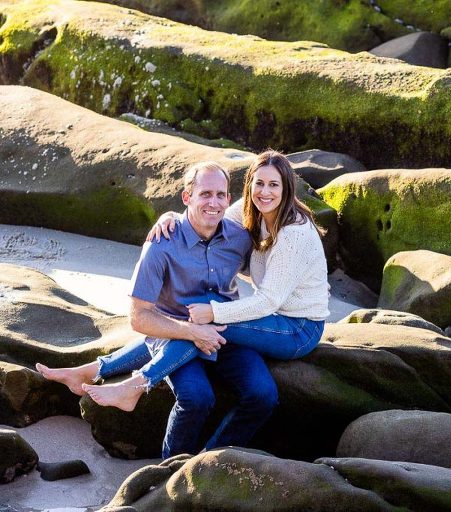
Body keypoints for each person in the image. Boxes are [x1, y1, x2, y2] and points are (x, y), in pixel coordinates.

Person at [37, 152, 328, 457]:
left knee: (262, 394)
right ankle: (167, 466)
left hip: (289, 323)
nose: (265, 192)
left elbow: (267, 300)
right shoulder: (233, 217)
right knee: (197, 395)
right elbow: (140, 316)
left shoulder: (277, 233)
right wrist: (170, 216)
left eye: (274, 185)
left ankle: (203, 459)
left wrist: (211, 314)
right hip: (199, 325)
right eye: (259, 184)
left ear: (287, 190)